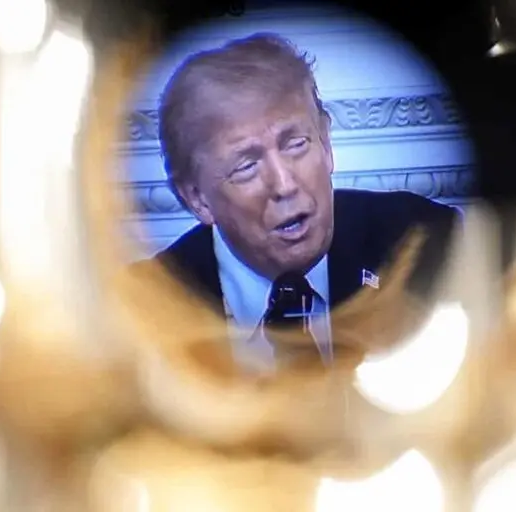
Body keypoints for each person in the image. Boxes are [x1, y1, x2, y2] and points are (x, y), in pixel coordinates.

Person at [141, 32, 458, 372]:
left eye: (296, 144)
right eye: (246, 166)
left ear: (325, 142)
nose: (285, 184)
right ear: (197, 198)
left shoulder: (427, 243)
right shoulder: (144, 310)